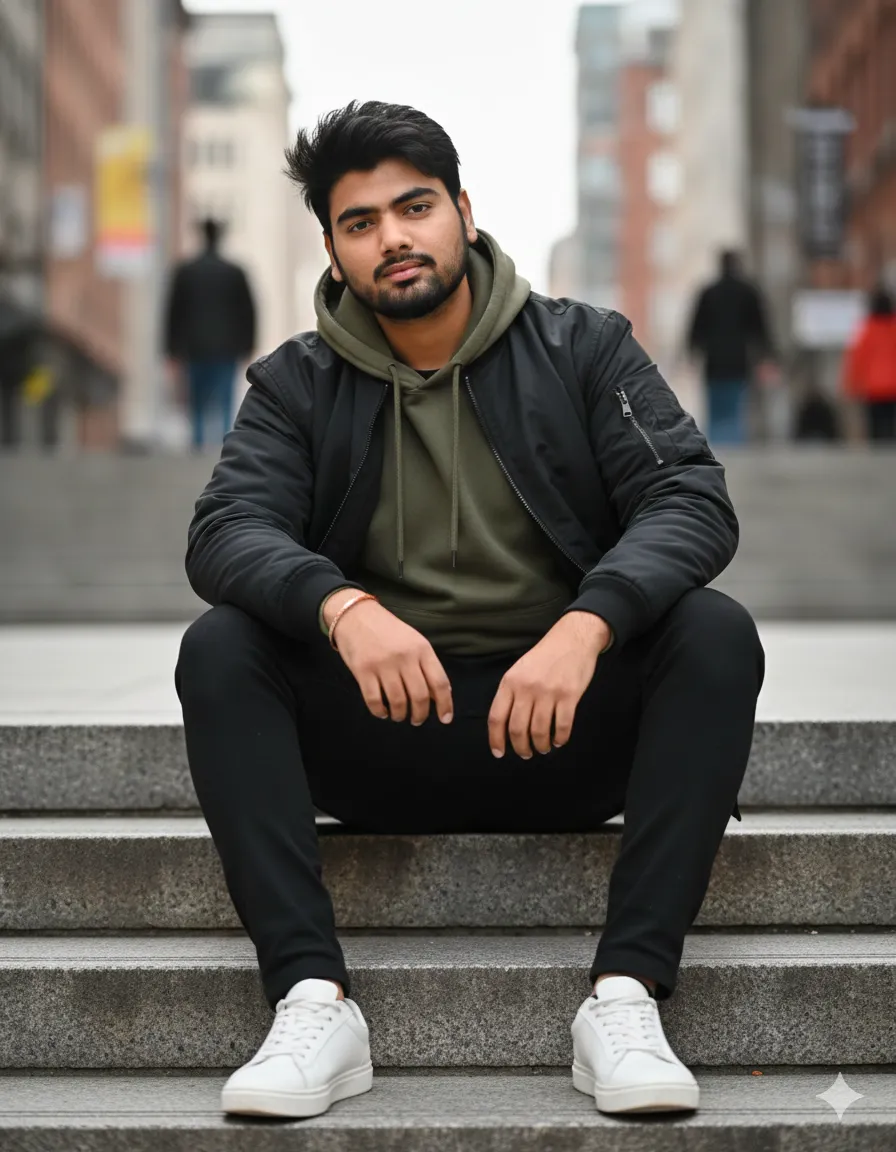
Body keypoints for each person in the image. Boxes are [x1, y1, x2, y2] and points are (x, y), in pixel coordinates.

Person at [175, 101, 764, 1121]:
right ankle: (313, 1001)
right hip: (384, 739)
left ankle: (622, 998)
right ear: (334, 248)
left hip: (561, 735)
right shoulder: (294, 384)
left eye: (413, 207)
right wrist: (341, 605)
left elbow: (688, 499)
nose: (393, 239)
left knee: (713, 633)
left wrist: (587, 624)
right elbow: (227, 529)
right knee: (220, 649)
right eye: (360, 223)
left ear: (462, 211)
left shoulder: (582, 348)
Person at [164, 218, 256, 450]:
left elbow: (173, 312)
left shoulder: (186, 272)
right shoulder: (234, 272)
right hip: (227, 348)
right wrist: (248, 345)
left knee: (196, 402)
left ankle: (197, 446)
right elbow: (248, 312)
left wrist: (171, 349)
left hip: (194, 348)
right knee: (224, 401)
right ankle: (225, 452)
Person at [686, 250, 777, 446]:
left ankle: (717, 448)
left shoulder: (708, 292)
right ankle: (734, 445)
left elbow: (695, 328)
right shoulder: (748, 292)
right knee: (735, 407)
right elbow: (760, 327)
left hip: (714, 361)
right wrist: (767, 356)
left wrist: (692, 354)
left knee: (715, 407)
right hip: (738, 360)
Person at [843, 286, 896, 441]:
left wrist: (851, 385)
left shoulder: (867, 329)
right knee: (891, 424)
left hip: (873, 388)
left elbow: (858, 359)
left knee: (875, 426)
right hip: (893, 387)